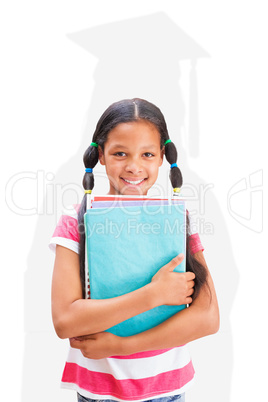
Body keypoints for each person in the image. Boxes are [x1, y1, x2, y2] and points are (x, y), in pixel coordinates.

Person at [50, 98, 219, 402]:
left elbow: (207, 318)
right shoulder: (76, 221)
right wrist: (153, 295)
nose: (134, 166)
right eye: (119, 153)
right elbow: (65, 321)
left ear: (162, 158)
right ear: (100, 155)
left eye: (147, 154)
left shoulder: (178, 220)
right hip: (99, 392)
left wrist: (120, 345)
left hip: (169, 390)